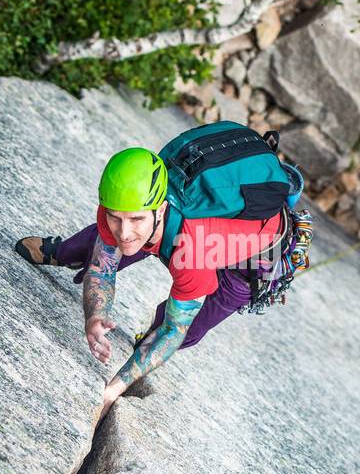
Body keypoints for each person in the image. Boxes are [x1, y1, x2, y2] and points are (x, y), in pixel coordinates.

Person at [16, 145, 303, 422]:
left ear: (161, 209)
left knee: (187, 327)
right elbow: (102, 267)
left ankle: (143, 344)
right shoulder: (129, 202)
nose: (124, 230)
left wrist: (111, 391)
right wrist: (95, 316)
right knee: (103, 243)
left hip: (250, 260)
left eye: (135, 219)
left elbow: (174, 330)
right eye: (115, 217)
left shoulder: (192, 250)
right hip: (188, 226)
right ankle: (65, 252)